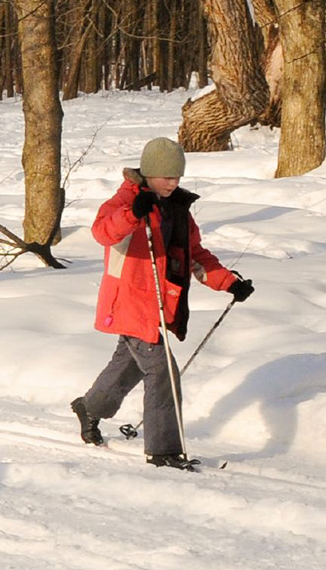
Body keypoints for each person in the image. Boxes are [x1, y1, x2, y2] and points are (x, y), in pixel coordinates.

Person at [70, 137, 253, 471]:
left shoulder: (178, 209)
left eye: (177, 177)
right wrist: (132, 215)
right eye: (167, 176)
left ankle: (89, 408)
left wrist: (229, 283)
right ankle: (163, 450)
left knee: (126, 367)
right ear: (150, 172)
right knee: (161, 370)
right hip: (127, 301)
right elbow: (103, 232)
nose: (173, 183)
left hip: (159, 302)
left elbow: (194, 255)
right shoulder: (124, 201)